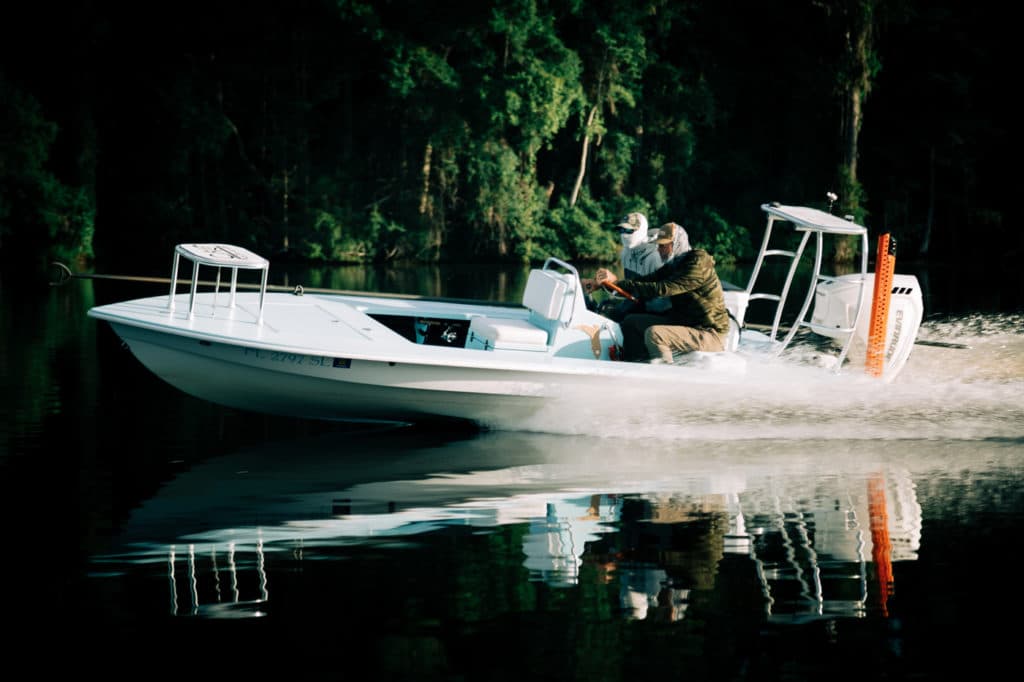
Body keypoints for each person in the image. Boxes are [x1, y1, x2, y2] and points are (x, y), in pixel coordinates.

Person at [592, 222, 730, 363]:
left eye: (663, 246)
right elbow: (647, 280)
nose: (658, 250)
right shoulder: (675, 265)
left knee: (655, 334)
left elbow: (662, 289)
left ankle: (664, 376)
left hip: (709, 333)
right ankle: (634, 366)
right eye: (658, 245)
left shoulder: (698, 264)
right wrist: (613, 285)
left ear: (676, 244)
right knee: (631, 322)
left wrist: (620, 285)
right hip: (684, 323)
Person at [583, 212, 661, 319]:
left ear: (642, 230)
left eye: (629, 230)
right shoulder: (626, 253)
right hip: (634, 304)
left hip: (653, 310)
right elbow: (630, 291)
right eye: (621, 230)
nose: (624, 234)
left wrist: (615, 282)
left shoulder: (656, 256)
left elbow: (651, 297)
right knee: (597, 304)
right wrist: (602, 284)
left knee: (610, 313)